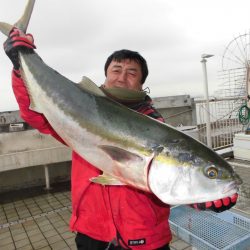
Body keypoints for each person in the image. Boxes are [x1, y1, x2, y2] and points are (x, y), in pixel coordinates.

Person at [4, 28, 238, 250]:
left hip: (144, 238)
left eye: (131, 73)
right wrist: (20, 63)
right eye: (116, 70)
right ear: (105, 76)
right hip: (91, 233)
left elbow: (166, 178)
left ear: (141, 83)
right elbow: (36, 114)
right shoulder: (81, 109)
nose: (122, 77)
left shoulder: (157, 128)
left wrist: (200, 195)